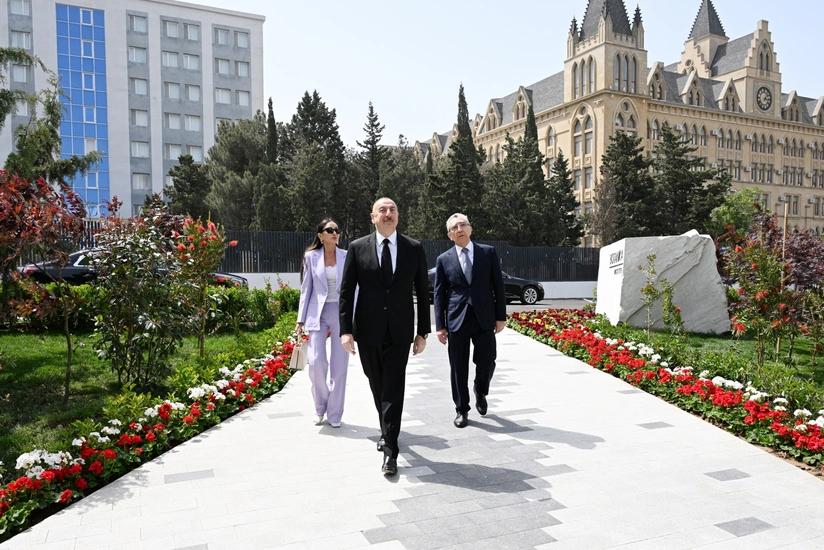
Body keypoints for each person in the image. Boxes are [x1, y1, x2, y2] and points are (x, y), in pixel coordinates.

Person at [339, 197, 430, 476]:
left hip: (400, 331)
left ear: (398, 216)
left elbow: (423, 292)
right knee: (377, 384)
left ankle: (391, 450)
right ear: (373, 216)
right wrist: (345, 330)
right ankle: (385, 429)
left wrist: (422, 331)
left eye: (393, 210)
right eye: (383, 210)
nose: (388, 214)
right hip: (367, 330)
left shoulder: (413, 248)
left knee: (393, 387)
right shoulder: (357, 248)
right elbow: (346, 292)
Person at [433, 213, 506, 428]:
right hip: (457, 319)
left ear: (471, 229)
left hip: (484, 317)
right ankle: (461, 409)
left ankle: (480, 389)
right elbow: (439, 294)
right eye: (455, 227)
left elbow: (498, 286)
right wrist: (440, 325)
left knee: (487, 360)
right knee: (458, 366)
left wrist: (500, 316)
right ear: (450, 235)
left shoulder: (487, 252)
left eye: (463, 224)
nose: (460, 229)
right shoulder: (444, 259)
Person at [296, 218, 349, 428]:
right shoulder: (311, 257)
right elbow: (306, 288)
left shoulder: (347, 256)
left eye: (337, 229)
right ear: (321, 235)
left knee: (340, 366)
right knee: (316, 363)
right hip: (316, 314)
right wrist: (300, 319)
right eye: (330, 230)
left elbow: (355, 288)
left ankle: (335, 414)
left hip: (341, 314)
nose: (334, 233)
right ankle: (320, 408)